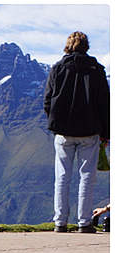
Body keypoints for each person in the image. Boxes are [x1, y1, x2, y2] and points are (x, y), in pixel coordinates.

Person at [44, 31, 109, 233]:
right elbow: (104, 104)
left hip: (63, 131)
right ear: (86, 46)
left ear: (68, 46)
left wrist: (54, 122)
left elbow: (48, 100)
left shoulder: (57, 69)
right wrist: (106, 133)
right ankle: (84, 222)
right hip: (89, 131)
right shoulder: (96, 70)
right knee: (87, 176)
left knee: (62, 176)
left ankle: (60, 222)